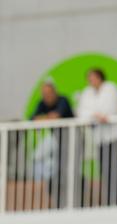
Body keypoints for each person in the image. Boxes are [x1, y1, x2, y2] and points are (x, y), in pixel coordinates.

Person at [76, 69, 117, 206]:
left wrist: (94, 115)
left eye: (92, 77)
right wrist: (96, 115)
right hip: (101, 139)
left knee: (114, 169)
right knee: (104, 170)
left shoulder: (111, 88)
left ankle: (116, 202)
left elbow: (109, 111)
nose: (90, 80)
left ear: (100, 77)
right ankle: (109, 201)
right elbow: (82, 113)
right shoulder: (88, 92)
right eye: (89, 78)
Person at [31, 80, 74, 208]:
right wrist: (46, 117)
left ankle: (72, 203)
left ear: (55, 92)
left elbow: (56, 116)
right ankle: (60, 204)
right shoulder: (42, 103)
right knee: (57, 172)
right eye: (44, 94)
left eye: (49, 93)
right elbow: (32, 118)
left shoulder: (62, 100)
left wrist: (44, 118)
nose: (47, 96)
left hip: (72, 140)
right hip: (58, 142)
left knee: (69, 171)